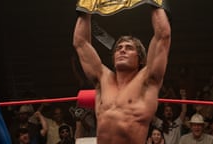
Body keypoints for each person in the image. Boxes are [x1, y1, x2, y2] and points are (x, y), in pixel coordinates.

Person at [73, 2, 171, 144]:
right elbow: (80, 43)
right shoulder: (102, 78)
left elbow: (163, 37)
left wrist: (156, 3)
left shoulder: (148, 80)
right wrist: (84, 8)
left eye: (129, 48)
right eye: (118, 48)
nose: (122, 50)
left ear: (140, 59)